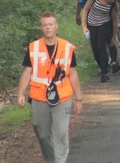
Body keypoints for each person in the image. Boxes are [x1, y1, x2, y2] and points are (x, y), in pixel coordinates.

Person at [17, 12, 83, 163]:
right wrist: (20, 93)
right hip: (39, 97)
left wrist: (78, 99)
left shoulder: (67, 48)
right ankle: (51, 159)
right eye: (45, 25)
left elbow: (72, 73)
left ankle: (60, 161)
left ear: (56, 26)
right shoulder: (34, 48)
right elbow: (27, 72)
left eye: (51, 24)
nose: (48, 28)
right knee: (42, 132)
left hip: (63, 97)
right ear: (41, 28)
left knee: (60, 132)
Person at [81, 0, 120, 82]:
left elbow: (115, 19)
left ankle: (104, 73)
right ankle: (104, 66)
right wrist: (84, 26)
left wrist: (113, 36)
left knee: (101, 46)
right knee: (95, 48)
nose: (111, 1)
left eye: (114, 0)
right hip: (92, 23)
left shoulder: (114, 3)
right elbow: (85, 10)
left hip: (104, 24)